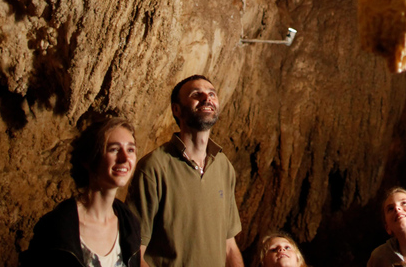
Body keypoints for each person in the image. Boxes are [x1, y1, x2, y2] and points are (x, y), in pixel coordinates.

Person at [127, 75, 244, 267]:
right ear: (176, 109)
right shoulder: (154, 167)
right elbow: (135, 252)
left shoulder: (223, 166)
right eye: (196, 94)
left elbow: (229, 246)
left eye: (212, 94)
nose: (207, 98)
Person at [21, 117, 140, 267]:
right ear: (89, 159)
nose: (124, 158)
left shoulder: (129, 225)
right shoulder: (58, 228)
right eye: (114, 149)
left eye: (130, 149)